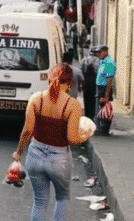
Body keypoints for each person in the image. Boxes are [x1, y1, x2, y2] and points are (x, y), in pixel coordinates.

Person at [12, 64, 92, 221]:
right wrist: (85, 136)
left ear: (49, 79)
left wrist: (19, 153)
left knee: (40, 201)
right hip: (59, 159)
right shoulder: (73, 105)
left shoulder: (36, 99)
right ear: (69, 84)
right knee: (62, 198)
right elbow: (72, 138)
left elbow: (27, 131)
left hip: (35, 155)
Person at [95, 45, 116, 136]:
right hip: (101, 88)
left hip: (105, 88)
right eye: (97, 52)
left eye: (100, 52)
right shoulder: (103, 61)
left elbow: (110, 80)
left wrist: (107, 95)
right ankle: (102, 128)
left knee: (105, 108)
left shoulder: (109, 62)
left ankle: (105, 129)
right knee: (102, 108)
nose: (98, 54)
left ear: (105, 51)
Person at [80, 46, 100, 119]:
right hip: (95, 83)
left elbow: (80, 71)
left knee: (86, 100)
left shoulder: (84, 60)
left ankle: (87, 116)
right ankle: (93, 116)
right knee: (94, 101)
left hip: (86, 83)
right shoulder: (98, 61)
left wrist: (81, 84)